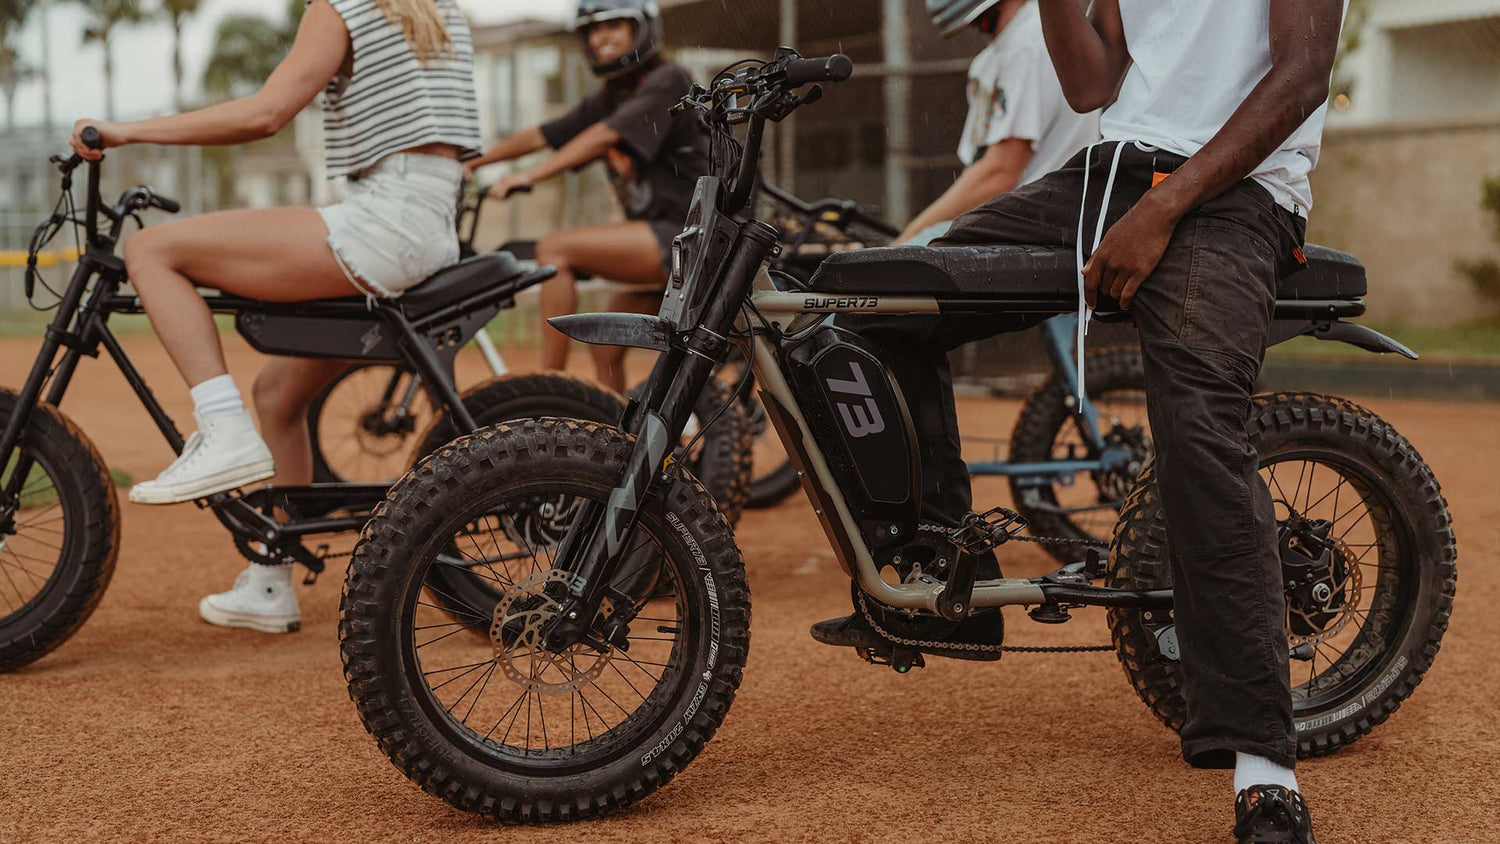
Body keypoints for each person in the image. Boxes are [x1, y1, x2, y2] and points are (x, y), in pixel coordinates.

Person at [813, 1, 1344, 841]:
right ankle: (946, 570)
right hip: (1107, 178)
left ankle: (1263, 769)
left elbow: (1303, 77)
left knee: (1198, 430)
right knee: (871, 306)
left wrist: (1164, 213)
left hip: (1235, 194)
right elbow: (1095, 82)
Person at [67, 0, 482, 633]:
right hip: (424, 218)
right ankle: (270, 581)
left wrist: (127, 132)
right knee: (279, 395)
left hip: (384, 218)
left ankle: (221, 429)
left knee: (151, 249)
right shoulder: (437, 11)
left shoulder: (343, 6)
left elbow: (266, 113)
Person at [462, 0, 708, 392]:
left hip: (689, 236)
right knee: (606, 345)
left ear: (641, 28)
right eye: (592, 30)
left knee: (555, 249)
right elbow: (544, 134)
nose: (601, 37)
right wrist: (474, 164)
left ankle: (549, 388)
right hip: (664, 240)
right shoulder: (612, 95)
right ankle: (616, 440)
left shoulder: (668, 79)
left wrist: (529, 176)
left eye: (614, 25)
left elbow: (603, 137)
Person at [898, 0, 1098, 246]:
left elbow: (999, 174)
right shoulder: (995, 56)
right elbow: (979, 170)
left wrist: (906, 239)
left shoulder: (1029, 39)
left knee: (896, 267)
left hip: (1036, 227)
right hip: (1008, 220)